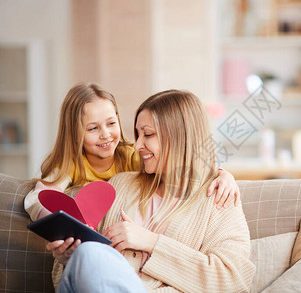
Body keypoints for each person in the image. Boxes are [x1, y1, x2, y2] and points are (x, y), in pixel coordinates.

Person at [48, 89, 255, 292]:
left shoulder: (219, 198)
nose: (137, 145)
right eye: (138, 134)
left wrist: (151, 242)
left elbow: (233, 280)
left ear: (180, 138)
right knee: (88, 253)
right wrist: (68, 258)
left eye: (148, 134)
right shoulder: (119, 185)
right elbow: (72, 275)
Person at [24, 83, 240, 222]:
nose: (106, 134)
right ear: (74, 133)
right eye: (93, 128)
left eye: (111, 123)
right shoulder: (70, 164)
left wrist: (223, 174)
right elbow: (40, 198)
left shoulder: (132, 156)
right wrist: (53, 220)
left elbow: (186, 166)